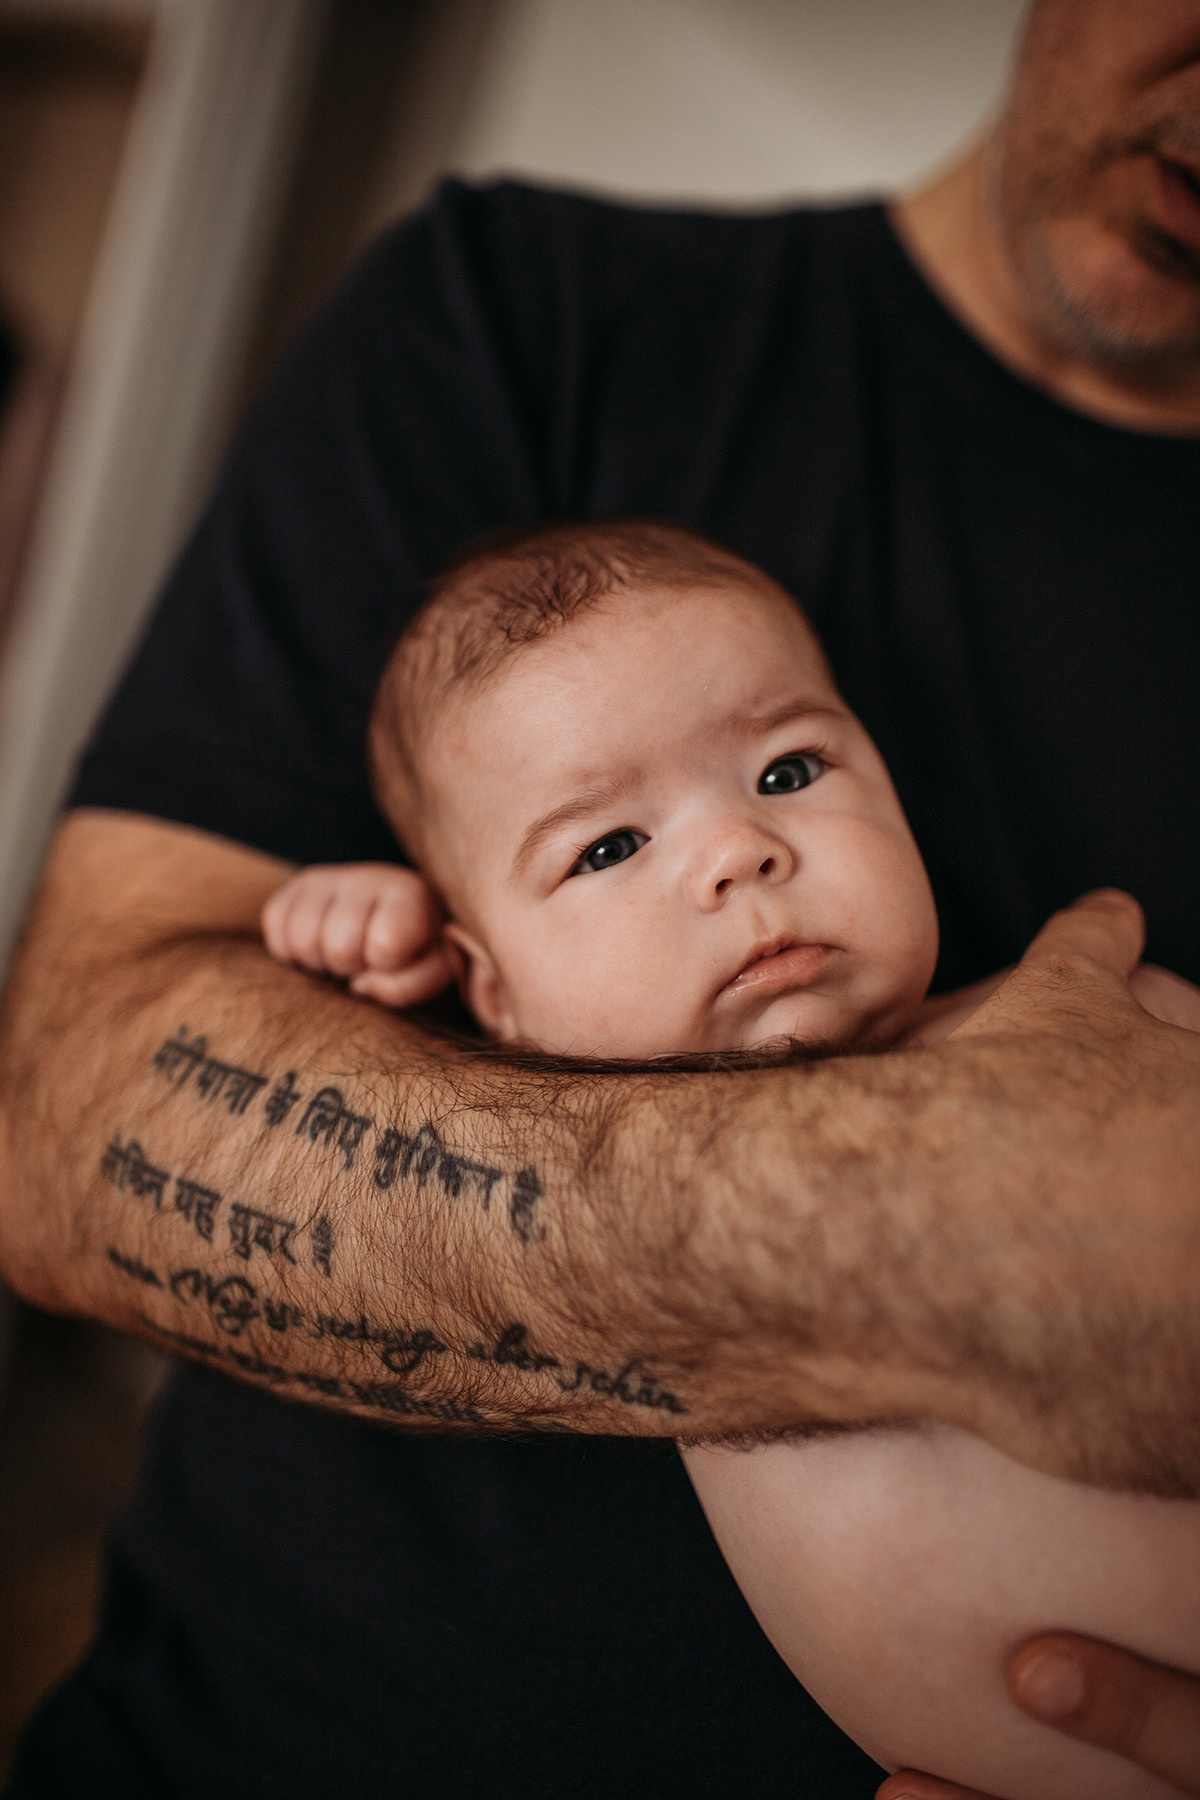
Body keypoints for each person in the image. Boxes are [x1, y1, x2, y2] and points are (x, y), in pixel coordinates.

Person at [1, 1, 1199, 1794]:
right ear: (482, 978)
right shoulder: (523, 309)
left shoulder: (1084, 1022)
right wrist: (923, 1229)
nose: (739, 853)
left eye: (795, 771)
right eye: (608, 848)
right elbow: (67, 1130)